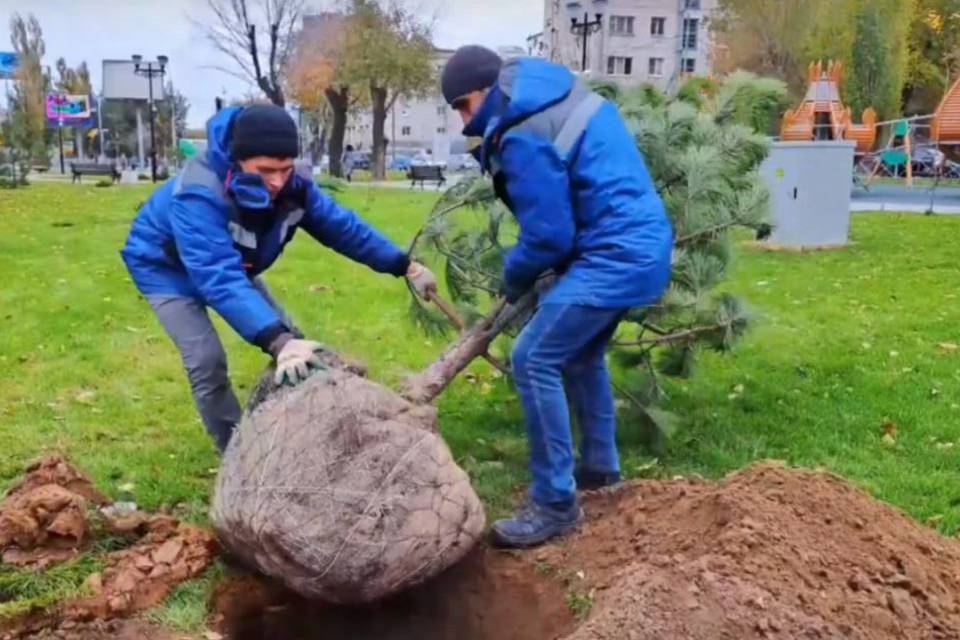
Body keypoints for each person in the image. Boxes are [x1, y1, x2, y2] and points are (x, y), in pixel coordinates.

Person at [441, 46, 674, 547]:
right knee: (580, 354)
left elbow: (549, 235)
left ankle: (554, 504)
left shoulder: (522, 131)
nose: (464, 120)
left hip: (614, 255)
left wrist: (514, 275)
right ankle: (600, 471)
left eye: (464, 104)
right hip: (640, 246)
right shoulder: (553, 97)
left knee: (533, 358)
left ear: (489, 88)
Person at [121, 104, 437, 452]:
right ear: (238, 160)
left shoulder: (293, 188)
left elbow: (344, 228)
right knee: (207, 361)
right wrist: (276, 340)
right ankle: (237, 453)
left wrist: (405, 265)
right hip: (167, 269)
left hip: (233, 266)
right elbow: (217, 278)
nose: (277, 181)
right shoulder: (199, 194)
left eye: (285, 169)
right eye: (265, 170)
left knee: (298, 346)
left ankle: (310, 428)